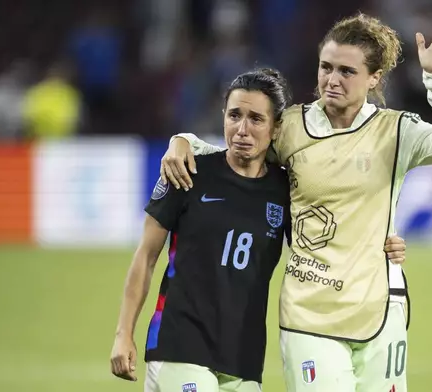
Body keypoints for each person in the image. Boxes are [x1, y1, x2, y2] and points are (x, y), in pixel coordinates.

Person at [159, 12, 432, 392]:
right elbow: (234, 152)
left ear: (374, 79)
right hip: (310, 309)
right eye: (326, 67)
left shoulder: (396, 130)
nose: (332, 79)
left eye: (346, 71)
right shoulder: (290, 126)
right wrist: (184, 140)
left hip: (380, 304)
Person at [109, 66, 411, 391]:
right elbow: (146, 257)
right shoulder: (188, 173)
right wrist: (123, 334)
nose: (242, 129)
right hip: (180, 343)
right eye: (234, 116)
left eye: (256, 119)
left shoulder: (286, 190)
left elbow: (328, 243)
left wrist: (384, 244)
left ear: (275, 128)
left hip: (244, 358)